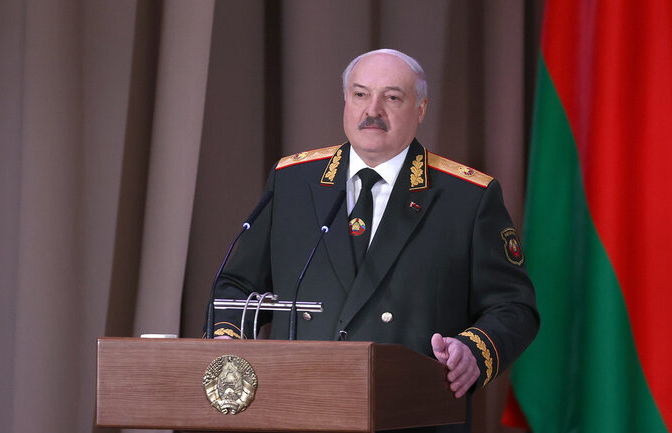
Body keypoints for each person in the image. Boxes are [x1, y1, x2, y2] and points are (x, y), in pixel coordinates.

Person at [208, 49, 539, 432]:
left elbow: (514, 307)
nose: (373, 110)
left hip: (412, 416)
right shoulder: (293, 181)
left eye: (392, 97)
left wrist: (472, 353)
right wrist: (227, 345)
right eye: (360, 94)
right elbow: (236, 287)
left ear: (421, 109)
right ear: (345, 101)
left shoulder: (467, 197)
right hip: (299, 409)